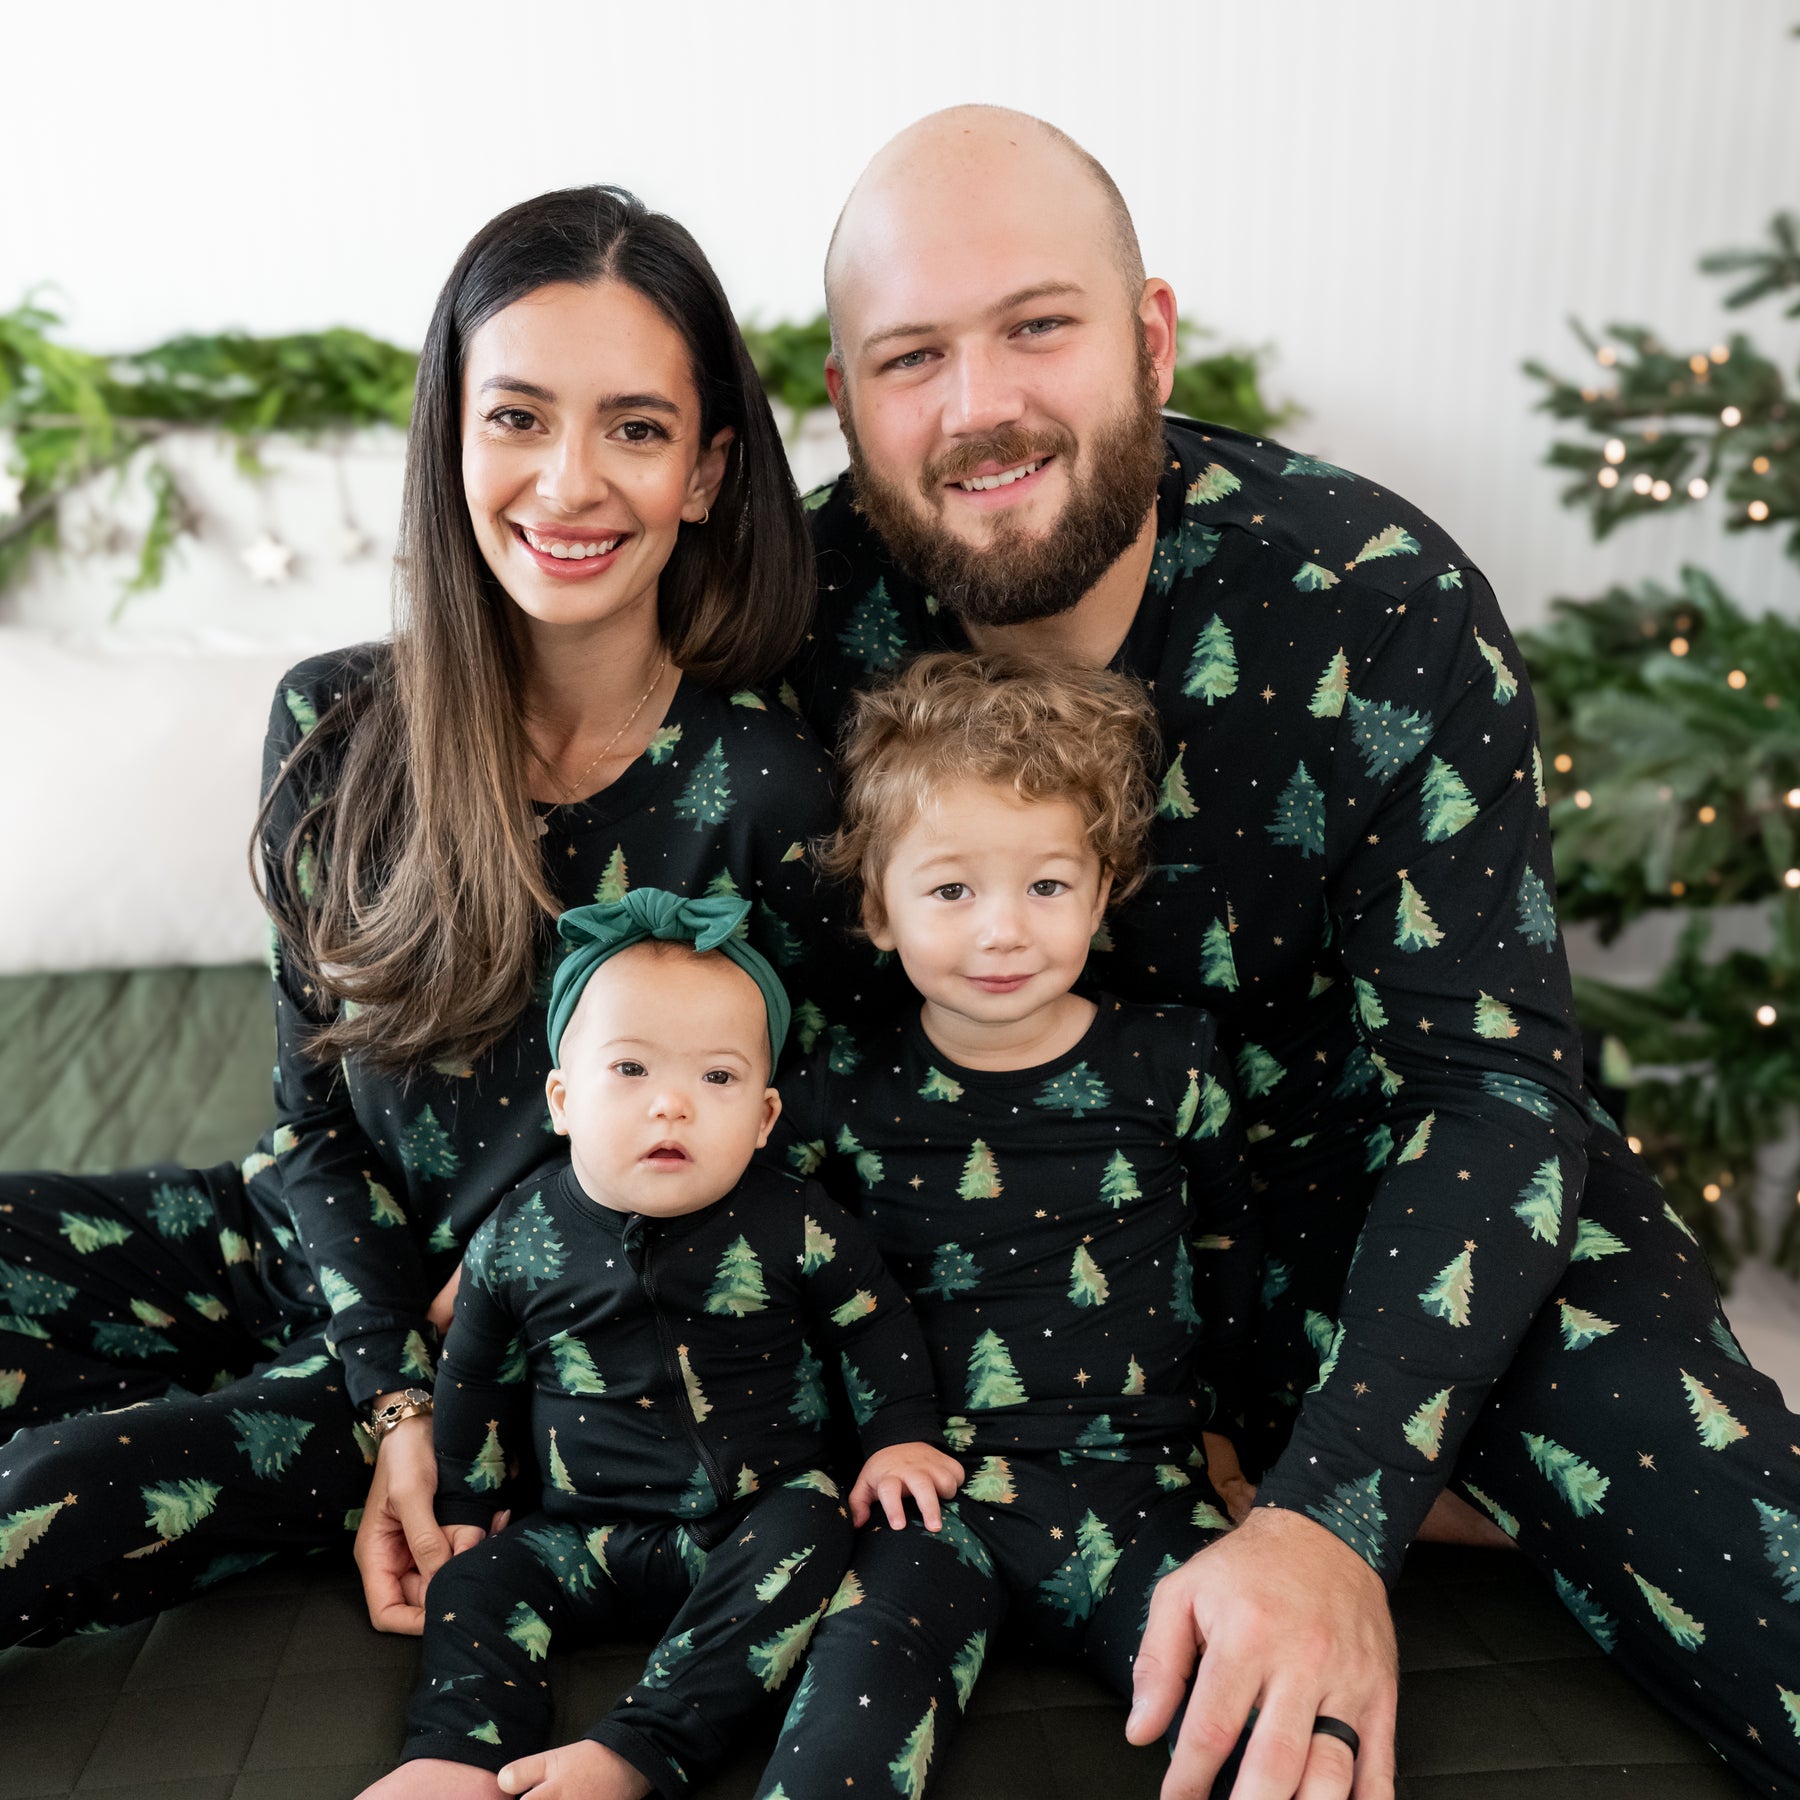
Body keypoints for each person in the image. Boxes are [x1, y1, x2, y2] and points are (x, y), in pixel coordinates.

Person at [781, 107, 1800, 1799]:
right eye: (911, 357)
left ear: (1152, 339)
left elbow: (1493, 1093)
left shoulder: (1376, 598)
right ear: (844, 399)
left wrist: (1334, 1514)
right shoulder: (787, 626)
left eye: (1040, 325)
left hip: (1390, 1216)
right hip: (1014, 1265)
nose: (979, 407)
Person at [0, 186, 875, 1652]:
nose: (571, 481)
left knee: (52, 1494)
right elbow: (307, 1129)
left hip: (531, 1353)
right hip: (317, 1265)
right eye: (519, 417)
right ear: (453, 435)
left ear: (711, 472)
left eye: (636, 429)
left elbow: (809, 1142)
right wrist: (380, 1377)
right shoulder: (333, 724)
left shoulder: (766, 787)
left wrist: (427, 1418)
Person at [761, 651, 1261, 1796]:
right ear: (879, 911)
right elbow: (785, 1276)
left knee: (1263, 1702)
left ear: (1101, 890)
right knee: (844, 1709)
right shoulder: (843, 1080)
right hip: (935, 1494)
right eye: (951, 890)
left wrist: (1229, 1425)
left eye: (1046, 886)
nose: (1003, 932)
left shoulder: (1172, 1058)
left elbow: (1231, 1250)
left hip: (1146, 1485)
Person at [361, 889, 954, 1800]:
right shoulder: (516, 1235)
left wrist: (900, 1435)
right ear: (562, 1100)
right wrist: (470, 1501)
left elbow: (874, 1322)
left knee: (814, 1526)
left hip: (749, 1517)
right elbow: (476, 1375)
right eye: (630, 1069)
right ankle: (456, 1753)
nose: (672, 1105)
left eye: (717, 1080)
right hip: (581, 1531)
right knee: (471, 1584)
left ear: (762, 1120)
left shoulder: (792, 1217)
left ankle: (643, 1747)